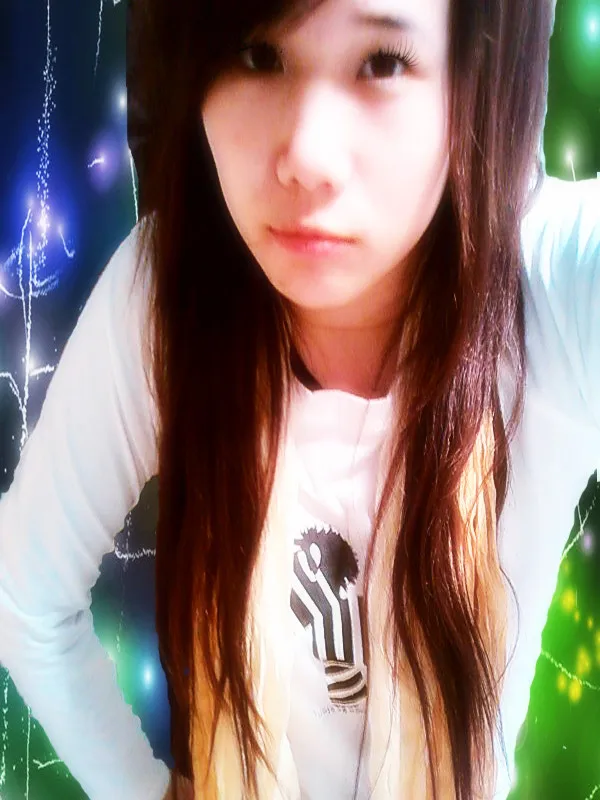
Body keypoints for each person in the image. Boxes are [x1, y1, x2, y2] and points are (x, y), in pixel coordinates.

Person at [0, 0, 598, 798]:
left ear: (476, 67)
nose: (308, 156)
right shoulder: (167, 298)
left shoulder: (548, 285)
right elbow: (26, 596)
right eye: (257, 55)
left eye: (382, 62)